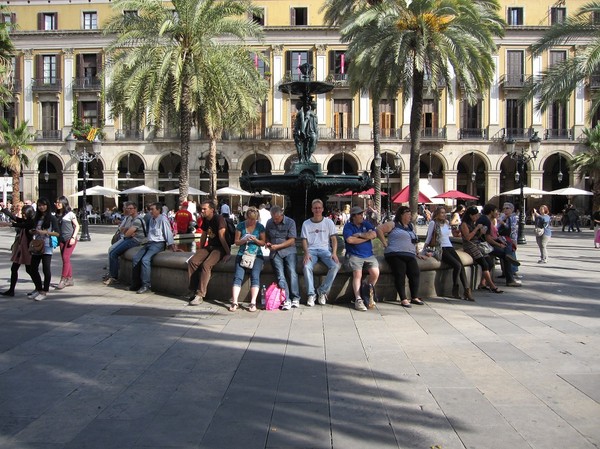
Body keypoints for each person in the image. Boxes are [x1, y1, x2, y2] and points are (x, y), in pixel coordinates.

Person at [376, 206, 427, 308]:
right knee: (400, 273)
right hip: (395, 253)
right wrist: (385, 243)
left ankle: (414, 297)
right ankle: (403, 298)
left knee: (415, 273)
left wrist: (417, 252)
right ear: (401, 215)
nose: (410, 216)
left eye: (410, 214)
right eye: (407, 214)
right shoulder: (393, 224)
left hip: (410, 254)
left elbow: (414, 240)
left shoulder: (411, 226)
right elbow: (379, 229)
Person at [424, 206, 473, 301]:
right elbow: (428, 237)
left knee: (461, 265)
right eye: (441, 213)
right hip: (441, 248)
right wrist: (423, 250)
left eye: (444, 212)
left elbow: (447, 236)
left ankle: (467, 290)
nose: (443, 214)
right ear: (437, 214)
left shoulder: (446, 223)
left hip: (449, 247)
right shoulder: (433, 223)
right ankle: (455, 288)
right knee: (457, 265)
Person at [187, 200, 231, 305]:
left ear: (212, 210)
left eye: (204, 209)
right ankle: (193, 290)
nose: (202, 211)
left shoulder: (218, 219)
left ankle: (200, 295)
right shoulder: (206, 219)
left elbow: (222, 236)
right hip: (209, 246)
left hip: (220, 248)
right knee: (192, 261)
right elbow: (204, 235)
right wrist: (200, 249)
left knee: (206, 265)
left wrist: (228, 252)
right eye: (201, 209)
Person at [130, 202, 179, 294]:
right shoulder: (152, 219)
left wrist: (171, 245)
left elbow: (168, 233)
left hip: (158, 243)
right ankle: (136, 283)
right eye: (150, 209)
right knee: (136, 258)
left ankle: (146, 285)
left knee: (145, 260)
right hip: (149, 243)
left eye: (152, 209)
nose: (150, 211)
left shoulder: (163, 220)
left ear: (159, 210)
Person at [301, 199, 340, 306]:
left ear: (322, 209)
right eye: (315, 208)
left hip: (325, 250)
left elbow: (334, 239)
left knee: (335, 266)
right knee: (306, 267)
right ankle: (311, 294)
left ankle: (322, 291)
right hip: (311, 251)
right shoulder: (306, 223)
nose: (317, 210)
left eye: (319, 208)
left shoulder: (328, 222)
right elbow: (304, 240)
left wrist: (334, 253)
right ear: (312, 209)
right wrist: (306, 253)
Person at [228, 207, 266, 312]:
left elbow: (263, 243)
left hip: (256, 254)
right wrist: (244, 239)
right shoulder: (240, 226)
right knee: (238, 277)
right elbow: (236, 242)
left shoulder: (260, 227)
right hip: (242, 254)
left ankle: (253, 302)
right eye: (249, 219)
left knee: (255, 276)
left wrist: (255, 240)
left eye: (253, 219)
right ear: (246, 217)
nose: (251, 221)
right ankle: (234, 301)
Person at [343, 206, 379, 311]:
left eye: (361, 214)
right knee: (357, 274)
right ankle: (358, 299)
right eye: (359, 214)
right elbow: (350, 240)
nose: (361, 216)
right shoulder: (348, 226)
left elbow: (374, 234)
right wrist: (366, 238)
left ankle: (367, 291)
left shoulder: (366, 224)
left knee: (375, 273)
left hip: (369, 255)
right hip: (354, 255)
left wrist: (359, 235)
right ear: (353, 216)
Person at [460, 206, 503, 294]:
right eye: (475, 215)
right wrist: (476, 229)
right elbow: (468, 238)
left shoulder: (473, 223)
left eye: (477, 215)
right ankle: (492, 286)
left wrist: (481, 232)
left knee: (489, 263)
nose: (477, 217)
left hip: (477, 244)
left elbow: (476, 236)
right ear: (470, 215)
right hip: (470, 246)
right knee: (484, 264)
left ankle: (482, 283)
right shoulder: (464, 224)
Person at [265, 205, 301, 310]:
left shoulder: (290, 222)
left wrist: (278, 246)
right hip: (275, 253)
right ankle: (286, 299)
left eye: (277, 218)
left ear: (282, 215)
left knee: (292, 272)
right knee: (280, 275)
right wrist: (268, 243)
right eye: (273, 218)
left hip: (289, 250)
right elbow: (267, 236)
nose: (275, 221)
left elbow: (292, 240)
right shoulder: (269, 222)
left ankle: (296, 297)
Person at [477, 203, 521, 287]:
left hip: (486, 244)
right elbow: (488, 238)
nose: (498, 213)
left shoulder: (486, 220)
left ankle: (509, 276)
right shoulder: (485, 220)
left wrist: (499, 240)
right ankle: (510, 280)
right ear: (491, 212)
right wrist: (499, 244)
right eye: (496, 211)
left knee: (507, 246)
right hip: (485, 246)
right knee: (505, 254)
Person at [104, 203, 146, 286]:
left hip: (135, 240)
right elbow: (125, 230)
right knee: (112, 251)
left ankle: (114, 277)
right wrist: (128, 231)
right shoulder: (131, 219)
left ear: (135, 209)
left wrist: (128, 232)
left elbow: (127, 233)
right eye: (128, 208)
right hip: (131, 238)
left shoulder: (137, 220)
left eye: (131, 208)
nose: (129, 210)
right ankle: (112, 275)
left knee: (113, 253)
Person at [0, 204, 36, 296]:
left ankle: (39, 288)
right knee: (14, 268)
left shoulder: (32, 222)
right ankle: (11, 290)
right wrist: (4, 209)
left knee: (29, 270)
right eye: (23, 213)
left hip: (28, 249)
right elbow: (15, 218)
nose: (23, 215)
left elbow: (21, 224)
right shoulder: (27, 220)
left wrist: (9, 224)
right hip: (21, 248)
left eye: (25, 213)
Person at [28, 198, 60, 301]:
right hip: (37, 245)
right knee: (33, 268)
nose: (41, 207)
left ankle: (44, 291)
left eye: (43, 205)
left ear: (47, 206)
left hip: (47, 245)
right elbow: (33, 229)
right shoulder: (36, 217)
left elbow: (57, 233)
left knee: (46, 269)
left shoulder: (52, 218)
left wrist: (45, 232)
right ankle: (38, 288)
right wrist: (32, 231)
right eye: (39, 205)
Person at [54, 196, 80, 290]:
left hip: (70, 238)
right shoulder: (56, 215)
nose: (57, 204)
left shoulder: (70, 214)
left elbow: (77, 226)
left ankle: (63, 279)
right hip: (61, 239)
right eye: (56, 203)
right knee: (65, 259)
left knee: (65, 257)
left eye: (59, 203)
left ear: (64, 203)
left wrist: (73, 237)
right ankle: (69, 279)